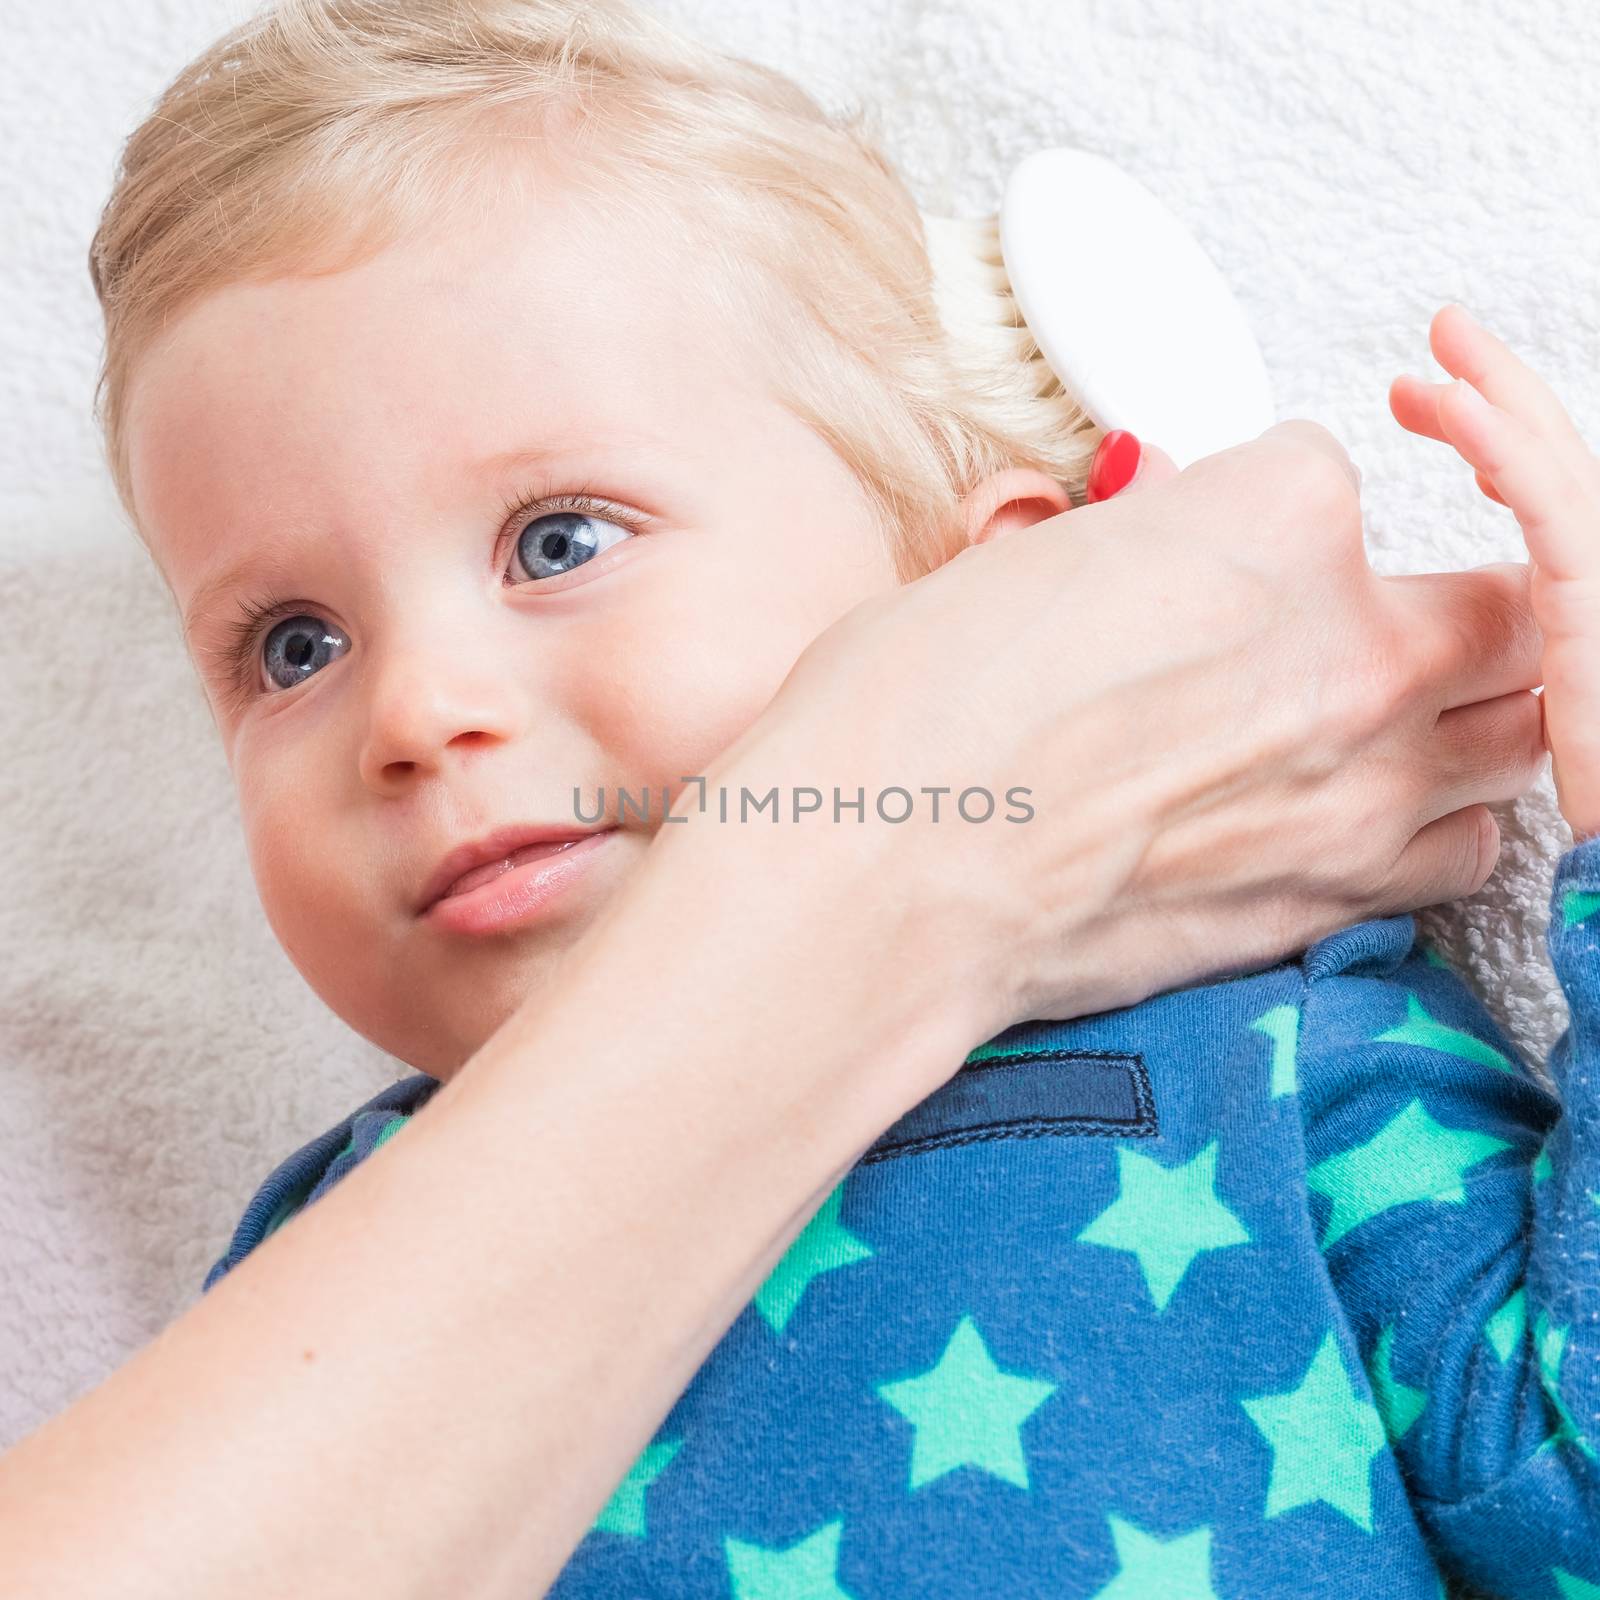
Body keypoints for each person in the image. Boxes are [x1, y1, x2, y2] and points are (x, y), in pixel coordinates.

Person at [0, 0, 1561, 1594]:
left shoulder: (1283, 1063)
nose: (409, 713)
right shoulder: (326, 1273)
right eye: (293, 644)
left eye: (558, 541)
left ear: (1003, 593)